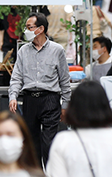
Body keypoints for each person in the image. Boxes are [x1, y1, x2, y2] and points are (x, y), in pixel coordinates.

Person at [8, 13, 71, 167]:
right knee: (32, 142)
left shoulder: (57, 50)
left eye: (30, 27)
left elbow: (64, 79)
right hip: (29, 99)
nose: (26, 30)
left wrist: (65, 105)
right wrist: (13, 96)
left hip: (50, 99)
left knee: (49, 143)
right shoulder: (23, 51)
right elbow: (16, 77)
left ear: (41, 29)